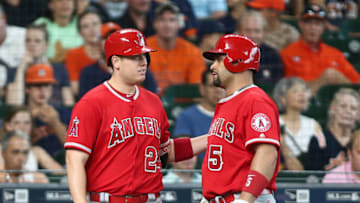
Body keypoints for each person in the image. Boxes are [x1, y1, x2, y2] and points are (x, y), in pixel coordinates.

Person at [65, 28, 208, 203]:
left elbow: (165, 151)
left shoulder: (154, 102)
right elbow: (75, 160)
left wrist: (213, 138)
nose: (143, 62)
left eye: (144, 56)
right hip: (109, 198)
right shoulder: (92, 103)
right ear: (116, 61)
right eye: (135, 57)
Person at [200, 34, 280, 203]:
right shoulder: (230, 101)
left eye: (219, 60)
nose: (212, 66)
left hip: (243, 197)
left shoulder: (254, 100)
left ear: (236, 61)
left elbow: (267, 152)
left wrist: (245, 199)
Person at [280, 4, 360, 95]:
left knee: (332, 74)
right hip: (303, 100)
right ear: (300, 24)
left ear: (324, 26)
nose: (313, 28)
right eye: (309, 23)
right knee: (329, 74)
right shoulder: (287, 53)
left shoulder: (335, 54)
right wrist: (322, 80)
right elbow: (287, 87)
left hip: (334, 103)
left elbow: (356, 81)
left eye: (317, 24)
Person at [79, 22, 158, 98]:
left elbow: (152, 95)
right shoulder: (88, 72)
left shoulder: (138, 67)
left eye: (116, 38)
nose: (112, 42)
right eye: (106, 38)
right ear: (98, 43)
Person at [6, 24, 74, 107]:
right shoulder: (14, 71)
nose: (32, 44)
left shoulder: (60, 69)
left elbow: (69, 105)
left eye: (37, 41)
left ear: (46, 45)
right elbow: (13, 106)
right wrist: (21, 69)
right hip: (26, 118)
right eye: (28, 40)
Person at [147, 2, 206, 92]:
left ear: (179, 24)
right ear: (154, 24)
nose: (167, 25)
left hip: (183, 104)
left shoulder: (193, 52)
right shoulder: (144, 49)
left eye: (172, 20)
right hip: (148, 102)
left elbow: (196, 90)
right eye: (161, 20)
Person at [272, 77, 325, 170]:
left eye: (304, 91)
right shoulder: (274, 122)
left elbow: (322, 152)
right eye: (295, 91)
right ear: (283, 99)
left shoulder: (314, 124)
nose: (302, 95)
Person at [173, 67, 225, 161]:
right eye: (212, 86)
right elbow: (182, 154)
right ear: (202, 88)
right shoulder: (186, 116)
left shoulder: (234, 115)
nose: (218, 90)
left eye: (221, 86)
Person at [306, 88, 359, 170]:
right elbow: (313, 177)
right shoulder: (320, 140)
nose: (348, 111)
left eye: (353, 108)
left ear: (357, 114)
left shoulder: (358, 140)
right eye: (343, 106)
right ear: (333, 109)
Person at [0, 106, 64, 172]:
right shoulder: (1, 149)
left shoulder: (37, 151)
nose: (22, 127)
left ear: (32, 126)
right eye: (17, 122)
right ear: (8, 126)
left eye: (27, 123)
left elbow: (60, 172)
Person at [24, 64, 69, 158]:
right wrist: (29, 118)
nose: (42, 90)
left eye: (46, 85)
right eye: (37, 85)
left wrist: (55, 123)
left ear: (52, 88)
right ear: (27, 89)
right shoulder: (19, 114)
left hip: (62, 164)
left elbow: (73, 149)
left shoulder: (64, 113)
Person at [236, 10, 283, 86]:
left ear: (264, 32)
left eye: (257, 31)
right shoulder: (227, 55)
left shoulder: (273, 55)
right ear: (239, 32)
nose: (252, 35)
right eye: (248, 30)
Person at [65, 10, 103, 97]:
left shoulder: (111, 51)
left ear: (102, 26)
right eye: (86, 26)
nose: (92, 30)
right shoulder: (73, 54)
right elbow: (75, 89)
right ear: (80, 32)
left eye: (95, 24)